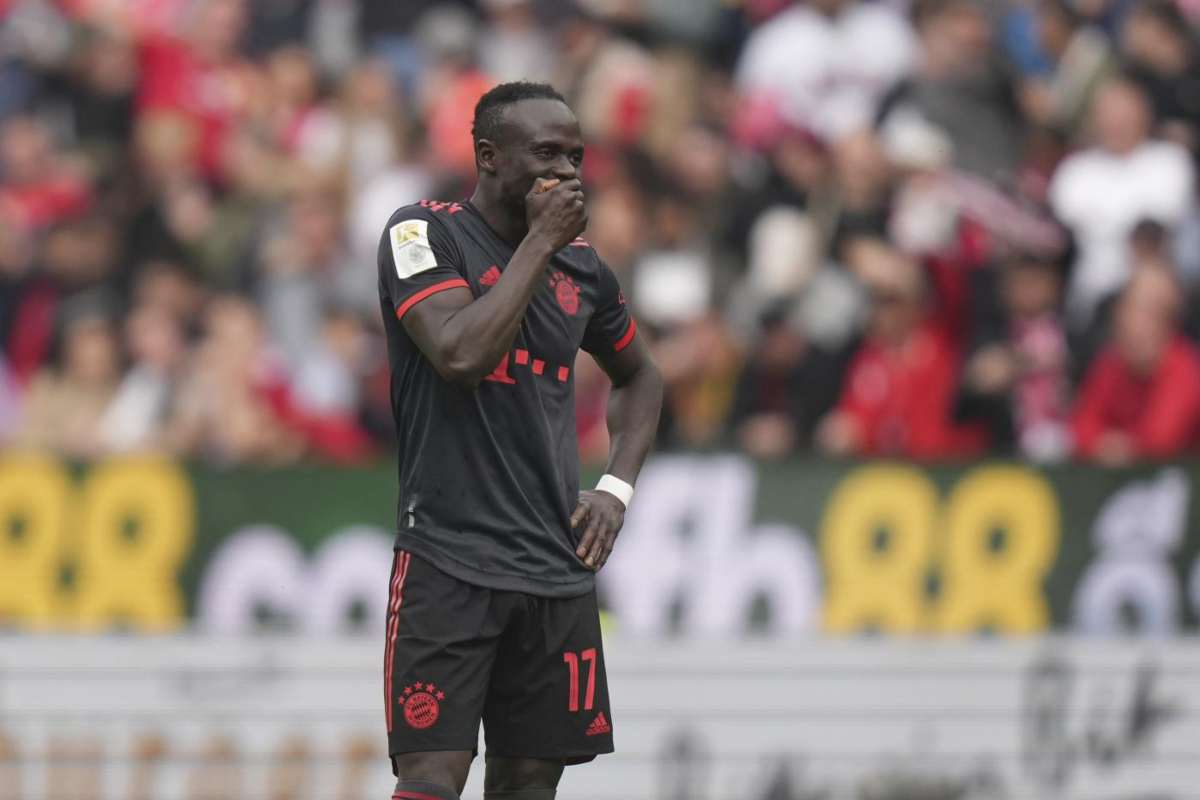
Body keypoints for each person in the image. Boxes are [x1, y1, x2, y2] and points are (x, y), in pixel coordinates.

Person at [375, 82, 663, 800]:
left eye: (574, 156)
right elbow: (460, 354)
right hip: (449, 557)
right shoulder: (422, 234)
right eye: (546, 154)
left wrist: (615, 490)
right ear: (489, 156)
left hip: (555, 566)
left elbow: (641, 377)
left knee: (529, 785)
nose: (566, 172)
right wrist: (540, 243)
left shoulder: (584, 269)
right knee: (430, 777)